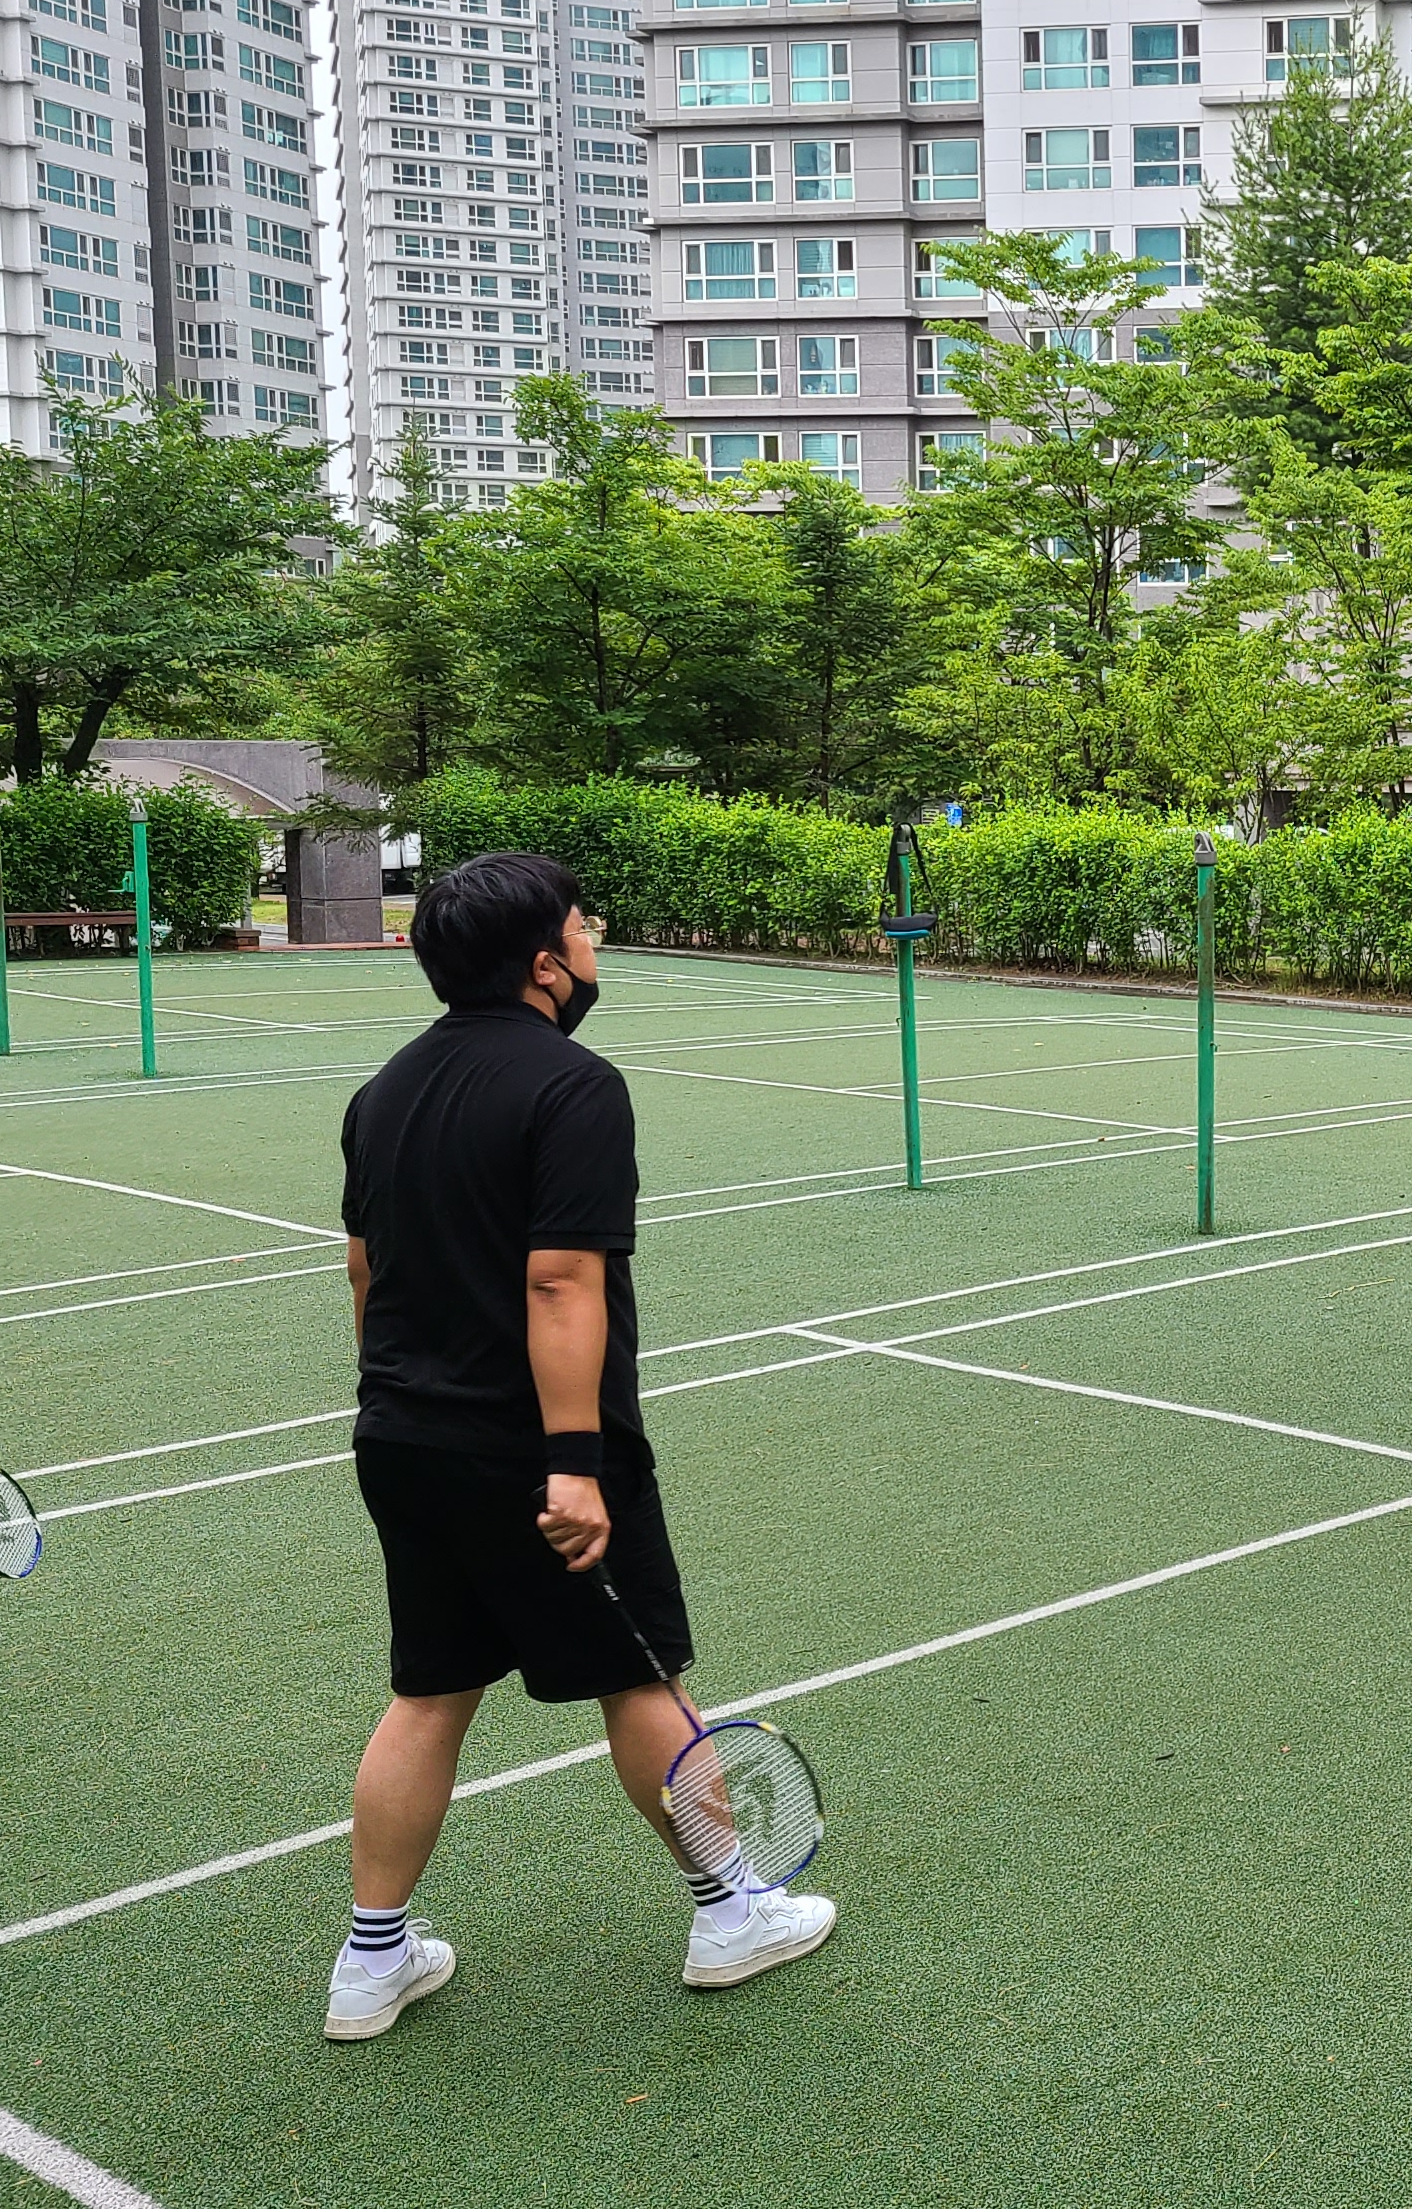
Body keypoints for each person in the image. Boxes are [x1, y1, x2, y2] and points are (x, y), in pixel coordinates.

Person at [326, 851, 832, 2044]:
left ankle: (370, 1962)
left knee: (428, 1693)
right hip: (533, 1453)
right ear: (547, 965)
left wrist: (407, 1406)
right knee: (640, 1677)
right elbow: (559, 1279)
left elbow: (363, 1273)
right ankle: (732, 1913)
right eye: (583, 927)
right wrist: (572, 1459)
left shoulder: (382, 1091)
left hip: (401, 1438)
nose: (594, 941)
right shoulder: (575, 1087)